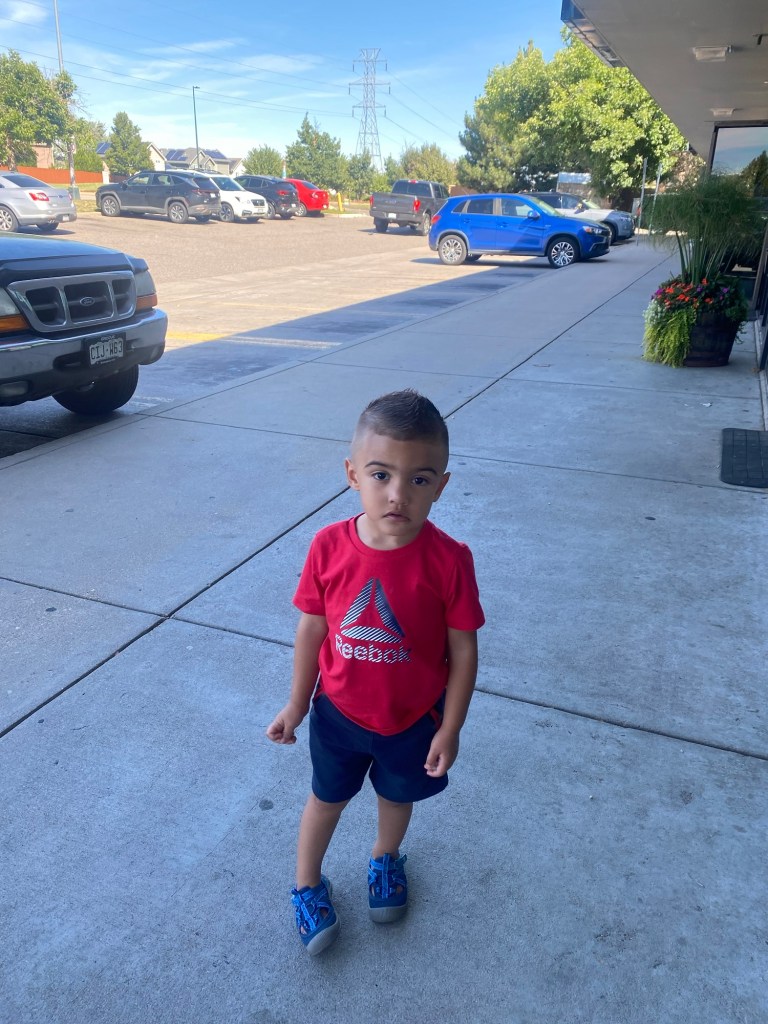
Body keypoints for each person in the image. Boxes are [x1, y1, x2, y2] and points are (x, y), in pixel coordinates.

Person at [266, 388, 485, 955]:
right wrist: (296, 702)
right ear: (352, 474)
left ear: (441, 485)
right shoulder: (327, 546)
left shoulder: (450, 561)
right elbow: (312, 630)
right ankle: (306, 884)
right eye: (381, 474)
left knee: (395, 797)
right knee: (325, 800)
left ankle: (385, 858)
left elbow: (463, 651)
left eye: (419, 479)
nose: (397, 494)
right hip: (337, 715)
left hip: (413, 721)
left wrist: (451, 727)